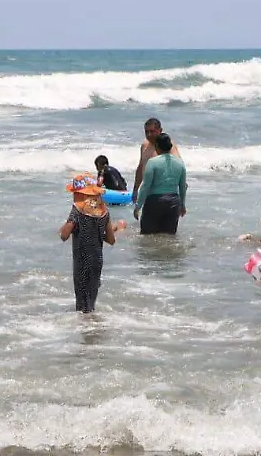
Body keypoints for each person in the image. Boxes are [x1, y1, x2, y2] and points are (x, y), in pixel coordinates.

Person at [61, 174, 121, 313]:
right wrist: (97, 234)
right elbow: (111, 240)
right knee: (90, 301)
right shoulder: (103, 211)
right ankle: (91, 321)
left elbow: (64, 235)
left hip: (81, 260)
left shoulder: (77, 209)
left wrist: (66, 229)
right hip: (97, 260)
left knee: (81, 301)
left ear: (80, 193)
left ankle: (84, 324)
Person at [133, 133, 187, 235]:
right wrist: (183, 205)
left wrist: (138, 206)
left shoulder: (152, 162)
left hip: (154, 202)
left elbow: (145, 186)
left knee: (147, 235)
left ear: (157, 146)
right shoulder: (180, 163)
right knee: (169, 236)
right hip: (173, 202)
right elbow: (182, 187)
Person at [133, 118, 181, 202]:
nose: (149, 135)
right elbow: (140, 168)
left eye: (152, 131)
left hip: (164, 195)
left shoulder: (169, 147)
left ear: (160, 130)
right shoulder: (144, 146)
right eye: (146, 132)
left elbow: (178, 166)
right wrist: (135, 190)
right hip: (148, 193)